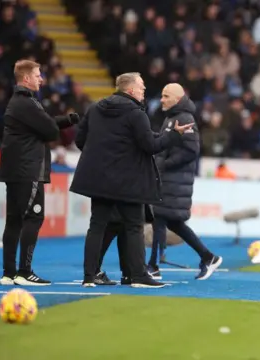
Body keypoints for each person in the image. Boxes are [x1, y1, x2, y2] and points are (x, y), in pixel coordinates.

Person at [70, 72, 193, 288]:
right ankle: (138, 275)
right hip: (128, 181)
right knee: (134, 226)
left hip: (99, 180)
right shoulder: (136, 113)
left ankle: (90, 276)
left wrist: (102, 159)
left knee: (97, 226)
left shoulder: (95, 108)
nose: (144, 90)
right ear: (131, 90)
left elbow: (81, 140)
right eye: (142, 86)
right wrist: (174, 136)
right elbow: (150, 146)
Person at [0, 60, 80, 286]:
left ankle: (8, 273)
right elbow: (49, 130)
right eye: (37, 75)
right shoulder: (27, 102)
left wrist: (66, 120)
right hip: (28, 170)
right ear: (26, 78)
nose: (41, 79)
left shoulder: (18, 102)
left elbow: (43, 124)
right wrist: (58, 126)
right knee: (33, 217)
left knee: (14, 220)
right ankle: (25, 272)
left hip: (16, 170)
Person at [148, 83, 223, 281]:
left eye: (165, 96)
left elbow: (191, 151)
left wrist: (164, 164)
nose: (162, 99)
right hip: (171, 181)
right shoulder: (172, 118)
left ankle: (153, 266)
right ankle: (208, 257)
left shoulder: (184, 118)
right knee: (172, 222)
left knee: (160, 218)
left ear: (176, 98)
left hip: (175, 181)